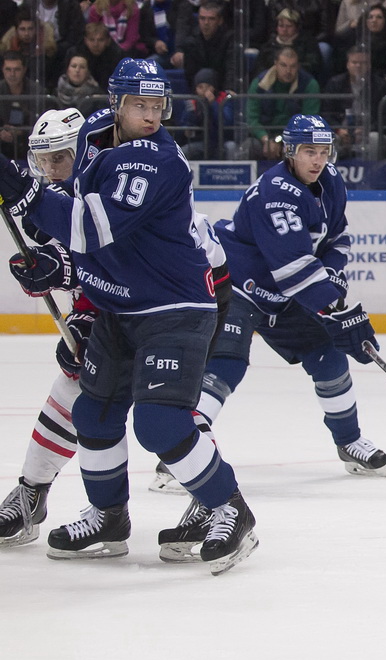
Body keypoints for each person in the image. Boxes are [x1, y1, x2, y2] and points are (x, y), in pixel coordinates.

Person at [0, 58, 257, 574]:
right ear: (115, 103)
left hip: (175, 306)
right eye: (138, 104)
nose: (150, 115)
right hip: (120, 305)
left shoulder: (156, 160)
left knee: (160, 423)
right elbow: (89, 245)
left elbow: (91, 230)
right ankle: (108, 517)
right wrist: (59, 266)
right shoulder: (92, 137)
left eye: (157, 104)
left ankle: (229, 508)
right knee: (93, 413)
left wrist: (24, 194)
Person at [195, 113, 386, 480]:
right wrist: (336, 310)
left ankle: (349, 441)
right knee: (226, 366)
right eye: (308, 151)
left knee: (329, 356)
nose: (318, 160)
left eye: (324, 151)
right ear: (290, 152)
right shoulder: (276, 194)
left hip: (285, 296)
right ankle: (184, 452)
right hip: (238, 286)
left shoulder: (331, 181)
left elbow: (338, 238)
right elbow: (294, 268)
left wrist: (331, 277)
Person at [0, 107, 89, 549]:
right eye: (43, 160)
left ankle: (215, 499)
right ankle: (31, 493)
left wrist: (60, 267)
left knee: (170, 409)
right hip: (107, 314)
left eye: (59, 158)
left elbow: (110, 254)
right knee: (72, 391)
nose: (49, 170)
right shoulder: (54, 190)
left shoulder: (105, 186)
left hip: (169, 313)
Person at [241, 45, 321, 160]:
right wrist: (267, 140)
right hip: (264, 137)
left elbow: (308, 121)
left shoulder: (309, 85)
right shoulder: (259, 84)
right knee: (246, 148)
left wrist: (281, 140)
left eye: (293, 66)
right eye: (283, 65)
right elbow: (252, 119)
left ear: (298, 66)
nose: (288, 71)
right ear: (275, 64)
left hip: (295, 138)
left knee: (301, 150)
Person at [324, 43, 386, 160]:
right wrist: (339, 129)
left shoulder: (380, 85)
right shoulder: (335, 83)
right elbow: (327, 113)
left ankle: (372, 174)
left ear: (369, 65)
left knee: (374, 138)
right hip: (342, 131)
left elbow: (385, 117)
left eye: (363, 63)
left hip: (368, 131)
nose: (358, 66)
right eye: (354, 62)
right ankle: (330, 176)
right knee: (329, 139)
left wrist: (367, 129)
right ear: (348, 64)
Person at [170, 0, 237, 92]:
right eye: (202, 18)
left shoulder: (229, 39)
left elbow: (231, 70)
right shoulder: (191, 42)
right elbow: (190, 75)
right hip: (198, 91)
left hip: (222, 89)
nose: (206, 23)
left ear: (220, 21)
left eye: (211, 19)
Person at [0, 51, 40, 159]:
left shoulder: (37, 91)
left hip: (29, 148)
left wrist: (22, 131)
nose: (12, 74)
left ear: (24, 70)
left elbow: (42, 120)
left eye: (17, 69)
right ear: (2, 70)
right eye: (8, 69)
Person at [67, 22, 125, 91]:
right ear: (85, 40)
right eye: (91, 40)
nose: (95, 44)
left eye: (101, 40)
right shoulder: (75, 53)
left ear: (108, 41)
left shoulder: (117, 55)